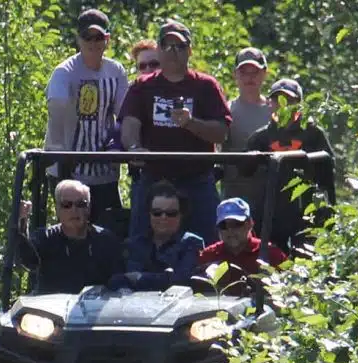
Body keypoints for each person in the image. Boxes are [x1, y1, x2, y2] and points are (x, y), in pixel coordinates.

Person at [120, 20, 231, 246]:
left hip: (196, 179)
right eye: (167, 46)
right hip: (153, 177)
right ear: (158, 49)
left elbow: (221, 133)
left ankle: (204, 280)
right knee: (139, 244)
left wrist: (191, 123)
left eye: (179, 47)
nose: (173, 52)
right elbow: (129, 124)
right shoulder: (141, 86)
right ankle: (136, 278)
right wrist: (133, 147)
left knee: (209, 245)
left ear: (189, 51)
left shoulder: (206, 86)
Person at [44, 9, 130, 228]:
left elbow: (125, 115)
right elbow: (57, 112)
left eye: (98, 37)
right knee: (72, 230)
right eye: (87, 37)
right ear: (78, 39)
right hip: (69, 169)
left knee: (109, 233)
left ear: (107, 39)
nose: (93, 43)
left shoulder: (116, 71)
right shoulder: (64, 72)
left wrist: (118, 145)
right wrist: (63, 159)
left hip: (105, 171)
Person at [244, 78, 335, 251]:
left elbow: (328, 172)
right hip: (271, 213)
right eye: (277, 100)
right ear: (269, 104)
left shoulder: (313, 133)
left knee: (307, 259)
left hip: (307, 210)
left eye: (289, 100)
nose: (282, 105)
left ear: (299, 104)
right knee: (272, 261)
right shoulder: (260, 137)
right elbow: (244, 171)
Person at [16, 179, 124, 294]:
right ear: (57, 209)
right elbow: (27, 260)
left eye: (80, 204)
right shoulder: (45, 238)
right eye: (67, 205)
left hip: (94, 308)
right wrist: (21, 222)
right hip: (51, 309)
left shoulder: (106, 240)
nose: (74, 210)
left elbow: (118, 283)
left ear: (88, 208)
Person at [109, 180, 203, 291]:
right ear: (149, 214)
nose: (163, 218)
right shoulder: (132, 245)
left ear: (181, 215)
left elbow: (182, 281)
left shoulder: (192, 243)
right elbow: (115, 280)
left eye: (171, 213)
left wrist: (138, 278)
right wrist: (162, 279)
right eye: (157, 213)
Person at [221, 47, 272, 213]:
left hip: (270, 194)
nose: (250, 78)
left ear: (264, 74)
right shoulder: (226, 110)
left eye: (255, 72)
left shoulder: (275, 111)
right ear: (235, 75)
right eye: (244, 72)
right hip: (235, 195)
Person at [198, 197, 286, 292]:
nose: (230, 230)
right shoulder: (208, 256)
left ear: (250, 224)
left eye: (236, 224)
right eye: (223, 225)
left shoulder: (271, 254)